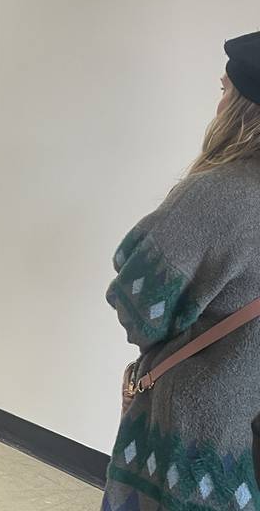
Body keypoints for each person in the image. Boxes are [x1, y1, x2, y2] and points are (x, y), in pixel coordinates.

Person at [101, 30, 260, 510]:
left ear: (242, 107)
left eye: (223, 90)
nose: (218, 103)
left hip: (204, 436)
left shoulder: (223, 193)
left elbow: (138, 305)